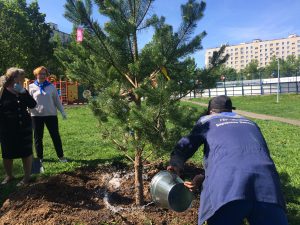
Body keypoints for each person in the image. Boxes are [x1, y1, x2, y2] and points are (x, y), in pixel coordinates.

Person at [168, 95, 288, 225]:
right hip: (267, 187)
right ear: (231, 110)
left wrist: (176, 163)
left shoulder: (207, 121)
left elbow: (186, 145)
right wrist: (205, 177)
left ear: (210, 111)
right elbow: (247, 157)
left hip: (227, 190)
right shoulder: (251, 123)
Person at [0, 67, 37, 186]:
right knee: (7, 153)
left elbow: (33, 105)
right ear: (11, 77)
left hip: (24, 127)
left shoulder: (22, 90)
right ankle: (9, 175)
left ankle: (26, 177)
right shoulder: (2, 91)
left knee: (26, 152)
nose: (21, 78)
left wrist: (23, 92)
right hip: (7, 128)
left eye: (21, 76)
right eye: (18, 76)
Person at [29, 66, 67, 164]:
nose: (42, 76)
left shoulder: (51, 86)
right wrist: (27, 112)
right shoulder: (31, 87)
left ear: (46, 75)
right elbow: (28, 102)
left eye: (44, 74)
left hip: (51, 115)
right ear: (36, 74)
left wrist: (62, 111)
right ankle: (40, 157)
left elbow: (57, 101)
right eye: (40, 74)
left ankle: (61, 156)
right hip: (36, 116)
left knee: (55, 136)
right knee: (38, 138)